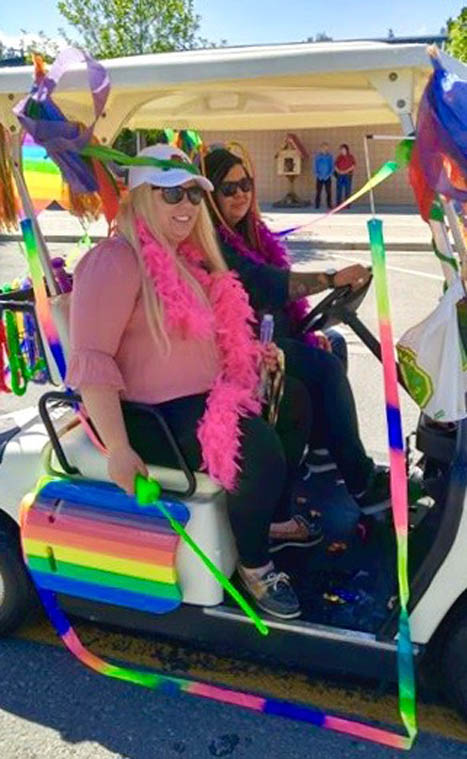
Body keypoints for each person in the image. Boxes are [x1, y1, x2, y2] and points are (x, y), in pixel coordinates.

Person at [66, 143, 323, 622]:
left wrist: (247, 359)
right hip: (149, 416)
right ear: (142, 197)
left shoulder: (186, 258)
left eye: (192, 195)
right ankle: (254, 565)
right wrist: (119, 449)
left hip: (201, 398)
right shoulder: (115, 261)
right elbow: (92, 360)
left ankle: (267, 520)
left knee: (296, 401)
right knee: (257, 450)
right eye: (171, 195)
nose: (186, 206)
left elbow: (208, 339)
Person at [202, 146, 392, 518]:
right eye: (228, 188)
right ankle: (361, 481)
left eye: (246, 184)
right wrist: (330, 279)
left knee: (333, 343)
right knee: (324, 367)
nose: (241, 193)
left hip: (270, 337)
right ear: (210, 197)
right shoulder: (214, 243)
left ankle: (322, 451)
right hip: (240, 354)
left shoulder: (249, 234)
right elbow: (265, 284)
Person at [314, 142, 334, 209]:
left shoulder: (330, 157)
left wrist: (329, 175)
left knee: (328, 192)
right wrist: (318, 174)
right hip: (319, 177)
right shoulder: (318, 157)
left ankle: (329, 204)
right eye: (323, 148)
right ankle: (317, 205)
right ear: (320, 148)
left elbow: (332, 166)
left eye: (325, 147)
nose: (324, 149)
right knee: (318, 192)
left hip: (327, 177)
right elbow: (315, 166)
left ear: (327, 148)